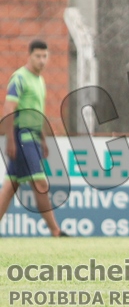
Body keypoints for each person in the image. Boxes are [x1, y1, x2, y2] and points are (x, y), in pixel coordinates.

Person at [0, 40, 67, 237]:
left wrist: (43, 138)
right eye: (38, 56)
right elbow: (9, 109)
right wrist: (10, 139)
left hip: (33, 138)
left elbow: (37, 113)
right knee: (41, 184)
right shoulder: (20, 78)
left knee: (10, 186)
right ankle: (55, 231)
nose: (42, 60)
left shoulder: (40, 80)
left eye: (45, 56)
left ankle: (55, 230)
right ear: (29, 56)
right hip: (22, 138)